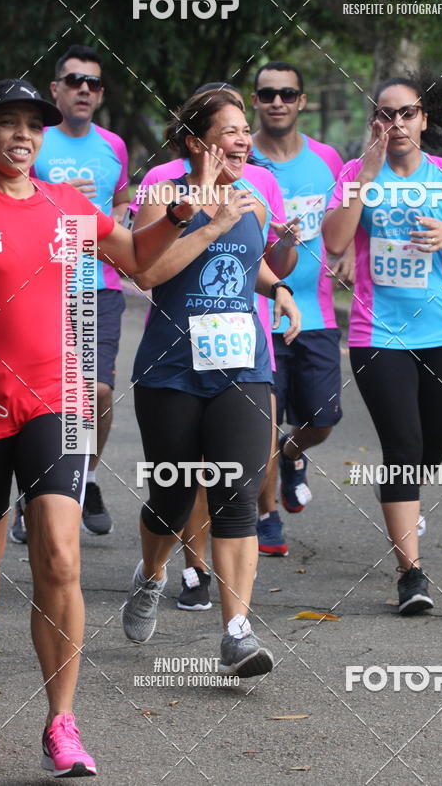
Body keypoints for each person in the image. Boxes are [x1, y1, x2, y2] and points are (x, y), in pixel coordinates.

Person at [0, 78, 203, 775]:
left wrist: (176, 218)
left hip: (57, 399)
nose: (21, 136)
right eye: (7, 123)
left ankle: (61, 724)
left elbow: (138, 260)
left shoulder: (65, 204)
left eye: (32, 125)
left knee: (59, 553)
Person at [122, 90, 301, 676]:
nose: (245, 140)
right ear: (197, 141)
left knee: (237, 496)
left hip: (242, 367)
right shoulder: (163, 196)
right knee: (172, 498)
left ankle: (236, 632)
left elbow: (249, 264)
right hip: (170, 370)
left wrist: (278, 287)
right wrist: (209, 223)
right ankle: (151, 576)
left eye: (247, 130)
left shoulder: (250, 201)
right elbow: (146, 271)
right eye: (231, 130)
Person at [322, 71, 442, 614]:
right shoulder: (354, 173)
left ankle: (405, 503)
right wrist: (368, 170)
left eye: (406, 114)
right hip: (378, 334)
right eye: (385, 114)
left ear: (424, 119)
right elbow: (334, 240)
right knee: (401, 451)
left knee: (428, 454)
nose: (395, 124)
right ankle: (411, 575)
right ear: (373, 121)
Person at [10, 45, 129, 540]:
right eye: (74, 80)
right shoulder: (35, 141)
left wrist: (112, 223)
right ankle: (33, 495)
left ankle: (88, 477)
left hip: (97, 285)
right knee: (38, 396)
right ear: (55, 90)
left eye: (94, 83)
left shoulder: (114, 146)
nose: (84, 89)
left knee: (95, 391)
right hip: (39, 283)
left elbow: (122, 201)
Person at [251, 61, 352, 524]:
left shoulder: (328, 159)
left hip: (316, 314)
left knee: (323, 420)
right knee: (261, 424)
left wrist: (350, 251)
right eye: (268, 94)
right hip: (257, 313)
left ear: (301, 101)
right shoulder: (244, 159)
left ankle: (292, 453)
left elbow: (343, 221)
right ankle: (265, 517)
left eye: (287, 94)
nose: (277, 102)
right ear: (255, 101)